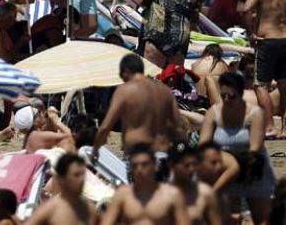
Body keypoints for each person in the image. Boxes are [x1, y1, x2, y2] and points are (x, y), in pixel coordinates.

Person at [198, 71, 275, 224]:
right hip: (225, 170)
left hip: (252, 168)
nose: (227, 100)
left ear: (240, 94)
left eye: (231, 96)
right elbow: (203, 143)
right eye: (223, 95)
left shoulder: (254, 113)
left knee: (262, 218)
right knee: (231, 218)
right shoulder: (214, 112)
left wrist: (229, 159)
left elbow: (255, 147)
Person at [92, 54, 184, 179]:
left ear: (126, 71)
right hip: (163, 157)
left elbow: (105, 127)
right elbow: (180, 126)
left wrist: (96, 150)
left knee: (139, 197)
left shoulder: (125, 90)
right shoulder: (165, 91)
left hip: (139, 158)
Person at [240, 0, 286, 137]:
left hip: (267, 40)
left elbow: (246, 9)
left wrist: (251, 33)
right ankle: (285, 128)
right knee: (284, 85)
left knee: (261, 85)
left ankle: (269, 126)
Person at [101, 144, 190, 225]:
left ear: (155, 165)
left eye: (144, 165)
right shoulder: (123, 194)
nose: (139, 170)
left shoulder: (172, 195)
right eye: (135, 166)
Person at [138, 0, 198, 67]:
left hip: (156, 38)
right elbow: (193, 19)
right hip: (178, 45)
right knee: (171, 82)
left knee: (152, 81)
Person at [25, 154, 97, 225]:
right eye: (76, 175)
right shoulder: (50, 210)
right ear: (62, 179)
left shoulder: (90, 209)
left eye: (83, 175)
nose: (81, 179)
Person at [169, 144, 222, 225]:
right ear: (172, 165)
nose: (191, 169)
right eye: (186, 165)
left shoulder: (205, 193)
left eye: (194, 164)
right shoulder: (160, 194)